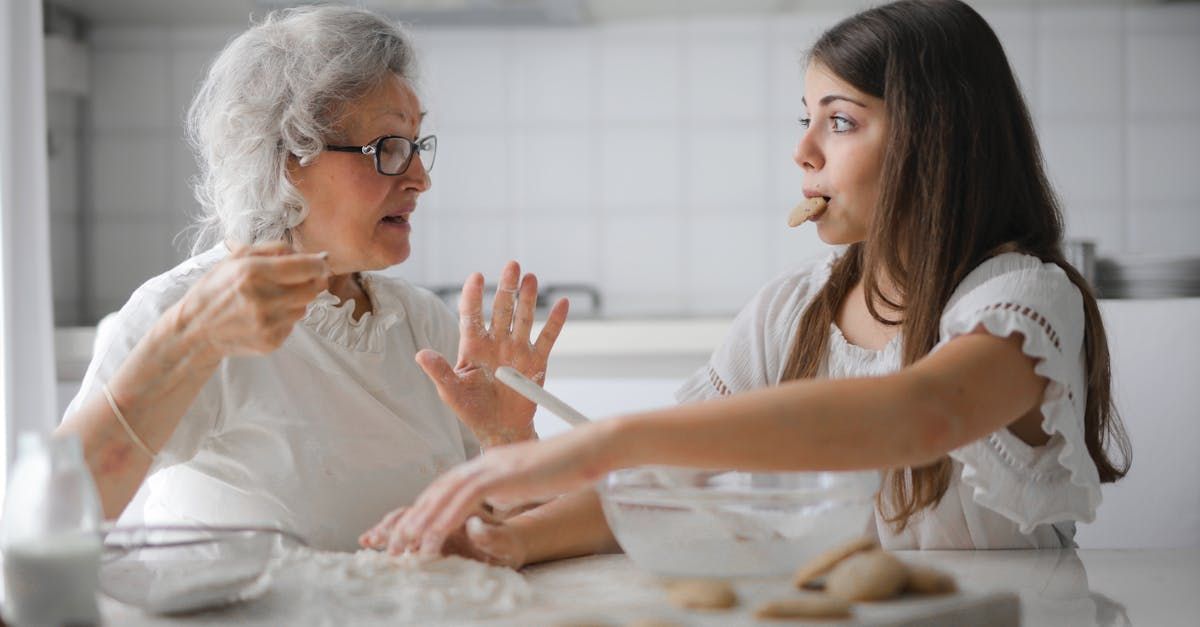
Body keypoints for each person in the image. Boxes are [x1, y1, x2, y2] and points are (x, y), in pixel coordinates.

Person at [363, 0, 1132, 562]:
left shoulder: (1023, 300)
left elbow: (922, 412)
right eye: (805, 117)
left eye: (839, 120)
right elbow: (664, 483)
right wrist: (513, 537)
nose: (802, 150)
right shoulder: (790, 311)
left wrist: (610, 436)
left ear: (936, 139)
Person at [57, 5, 567, 551]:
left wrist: (508, 440)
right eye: (387, 149)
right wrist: (188, 341)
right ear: (283, 159)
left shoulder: (421, 324)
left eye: (417, 146)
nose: (420, 178)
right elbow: (56, 513)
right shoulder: (183, 310)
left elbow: (505, 538)